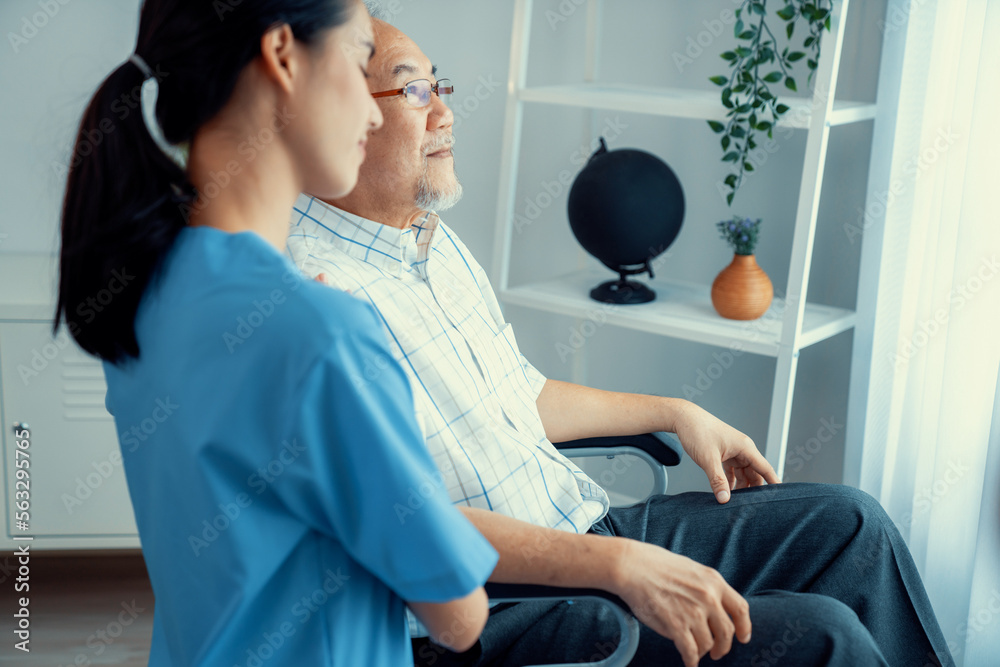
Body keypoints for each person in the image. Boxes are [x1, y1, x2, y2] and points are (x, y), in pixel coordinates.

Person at [286, 15, 957, 667]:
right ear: (342, 113)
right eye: (414, 89)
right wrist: (616, 567)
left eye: (441, 86)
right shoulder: (313, 295)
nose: (446, 113)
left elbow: (524, 395)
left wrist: (675, 410)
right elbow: (404, 523)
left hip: (587, 531)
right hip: (505, 611)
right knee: (822, 634)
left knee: (851, 526)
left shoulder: (429, 241)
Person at [54, 1, 497, 664]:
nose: (375, 112)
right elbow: (458, 615)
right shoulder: (323, 335)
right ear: (284, 55)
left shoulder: (144, 287)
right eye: (356, 57)